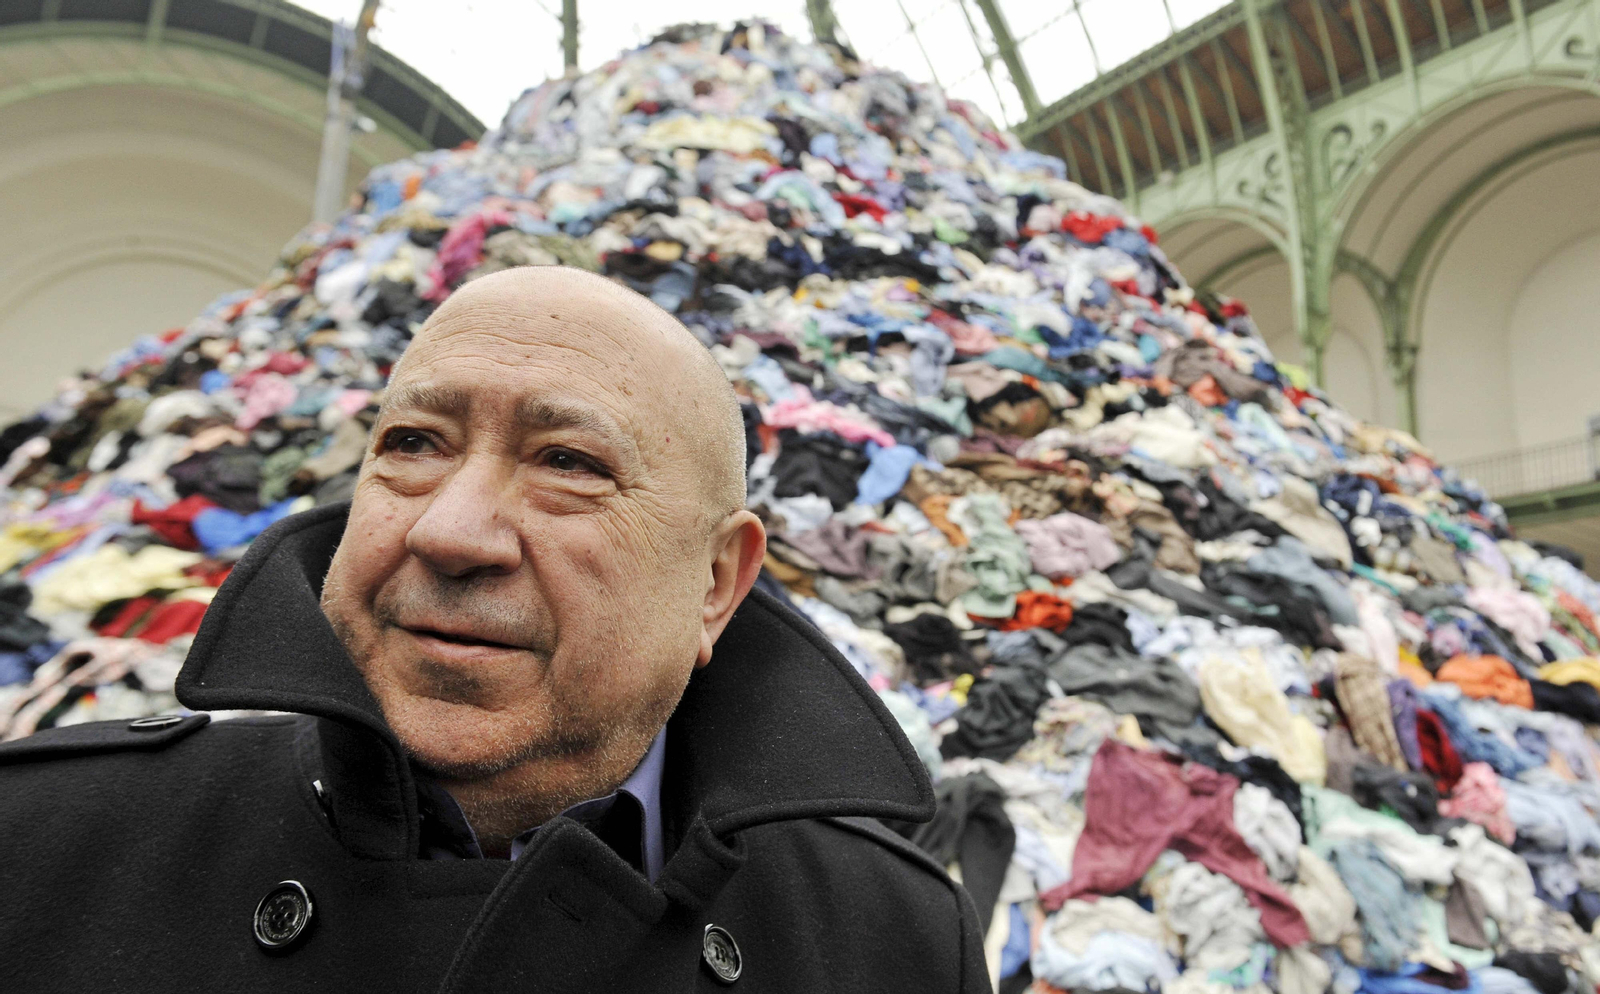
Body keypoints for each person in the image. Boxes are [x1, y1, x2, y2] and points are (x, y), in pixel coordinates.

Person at [0, 267, 987, 991]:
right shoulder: (41, 842)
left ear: (716, 582)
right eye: (414, 444)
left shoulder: (893, 941)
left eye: (568, 462)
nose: (449, 530)